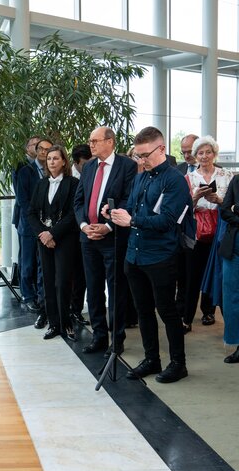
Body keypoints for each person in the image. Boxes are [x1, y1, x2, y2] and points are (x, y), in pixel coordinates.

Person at [108, 126, 193, 384]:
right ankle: (151, 358)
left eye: (145, 155)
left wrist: (131, 221)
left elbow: (167, 221)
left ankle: (178, 363)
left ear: (162, 149)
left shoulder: (175, 180)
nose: (141, 160)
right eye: (138, 156)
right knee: (143, 310)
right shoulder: (140, 178)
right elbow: (132, 208)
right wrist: (113, 213)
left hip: (160, 256)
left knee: (166, 311)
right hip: (134, 255)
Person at [73, 127, 137, 357]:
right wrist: (84, 226)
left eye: (95, 141)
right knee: (94, 289)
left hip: (113, 238)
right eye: (90, 141)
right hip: (88, 237)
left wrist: (109, 226)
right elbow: (79, 201)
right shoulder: (89, 166)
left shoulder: (127, 166)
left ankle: (116, 339)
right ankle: (99, 336)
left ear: (110, 142)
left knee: (116, 289)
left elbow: (130, 200)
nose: (91, 145)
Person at [27, 146, 80, 341]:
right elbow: (31, 212)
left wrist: (53, 234)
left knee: (63, 282)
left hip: (65, 239)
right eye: (49, 158)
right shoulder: (41, 184)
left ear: (64, 161)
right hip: (44, 240)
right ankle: (54, 324)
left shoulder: (73, 183)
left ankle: (66, 323)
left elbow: (73, 214)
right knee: (48, 282)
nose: (51, 162)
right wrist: (43, 234)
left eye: (56, 158)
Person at [183, 136, 230, 332]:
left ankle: (220, 318)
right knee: (192, 277)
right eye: (200, 153)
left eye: (208, 152)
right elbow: (183, 209)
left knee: (221, 276)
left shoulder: (227, 175)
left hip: (222, 231)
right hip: (198, 233)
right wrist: (195, 198)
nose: (204, 156)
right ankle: (186, 318)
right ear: (195, 156)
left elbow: (233, 205)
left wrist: (219, 200)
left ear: (214, 153)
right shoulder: (189, 178)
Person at [15, 138, 51, 328]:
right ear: (35, 151)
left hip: (47, 225)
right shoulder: (25, 171)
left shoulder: (51, 170)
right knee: (27, 261)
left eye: (48, 149)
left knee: (41, 263)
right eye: (41, 149)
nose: (45, 153)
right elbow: (23, 200)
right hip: (29, 225)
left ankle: (40, 296)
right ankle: (27, 296)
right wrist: (36, 221)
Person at [68, 144, 91, 326]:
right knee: (72, 274)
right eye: (85, 164)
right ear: (75, 163)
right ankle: (69, 310)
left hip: (87, 232)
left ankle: (77, 309)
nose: (88, 166)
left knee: (82, 275)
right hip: (70, 233)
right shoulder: (70, 179)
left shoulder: (92, 174)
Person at [219, 174, 239, 363]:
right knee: (231, 298)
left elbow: (232, 208)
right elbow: (225, 210)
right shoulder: (237, 180)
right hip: (233, 247)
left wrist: (236, 208)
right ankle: (237, 344)